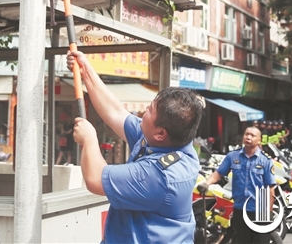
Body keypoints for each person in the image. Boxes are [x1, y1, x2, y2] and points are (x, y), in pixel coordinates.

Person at [66, 50, 204, 243]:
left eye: (149, 110)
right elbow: (115, 112)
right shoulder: (171, 140)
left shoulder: (159, 174)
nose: (143, 111)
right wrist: (86, 71)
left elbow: (95, 179)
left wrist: (89, 139)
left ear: (160, 133)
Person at [197, 126, 276, 244]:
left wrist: (268, 215)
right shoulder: (233, 156)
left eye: (252, 135)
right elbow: (218, 173)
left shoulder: (266, 161)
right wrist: (206, 183)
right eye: (246, 134)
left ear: (259, 140)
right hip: (240, 211)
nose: (248, 137)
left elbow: (271, 190)